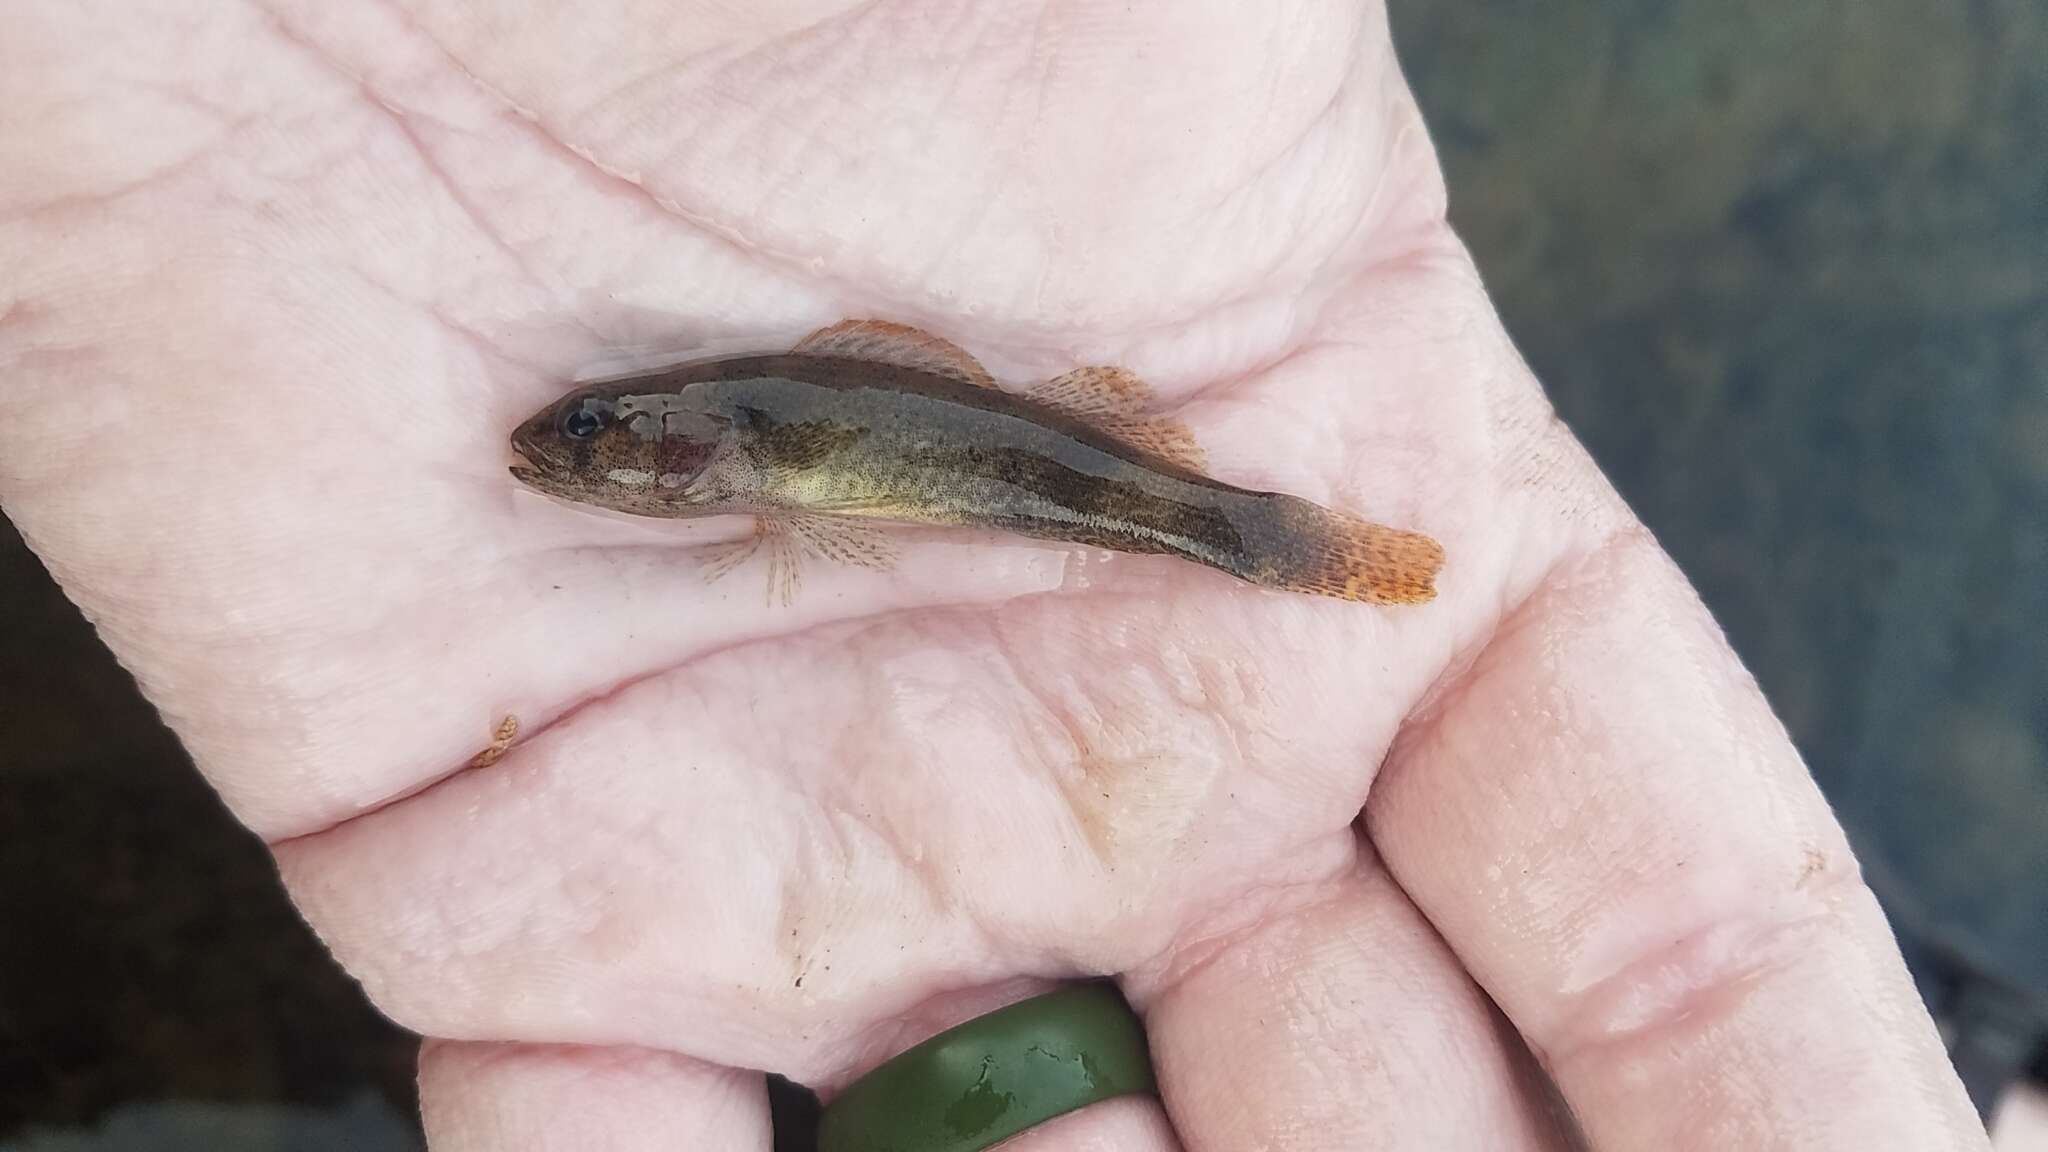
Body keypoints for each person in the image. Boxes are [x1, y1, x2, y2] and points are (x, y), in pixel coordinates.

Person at [0, 1, 1989, 1148]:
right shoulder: (730, 439)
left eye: (607, 443)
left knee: (1201, 533)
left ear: (699, 448)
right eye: (603, 449)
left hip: (1070, 474)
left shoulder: (756, 444)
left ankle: (1290, 557)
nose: (592, 458)